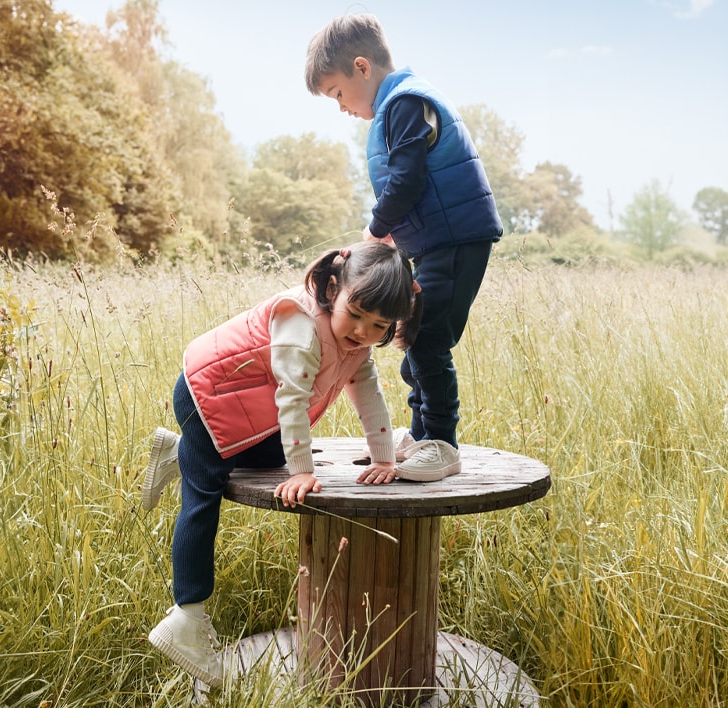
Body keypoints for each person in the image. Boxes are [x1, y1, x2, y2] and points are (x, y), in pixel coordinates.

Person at [142, 241, 422, 687]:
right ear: (333, 288)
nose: (363, 332)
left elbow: (369, 396)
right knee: (202, 496)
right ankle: (185, 617)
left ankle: (181, 453)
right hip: (207, 396)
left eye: (380, 326)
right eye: (356, 314)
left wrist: (385, 458)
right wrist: (302, 472)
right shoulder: (301, 326)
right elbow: (291, 402)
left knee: (267, 455)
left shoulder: (358, 343)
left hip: (250, 412)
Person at [305, 14, 503, 480]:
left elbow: (408, 179)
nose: (341, 108)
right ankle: (421, 434)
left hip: (455, 240)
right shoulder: (399, 106)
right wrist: (395, 233)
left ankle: (442, 443)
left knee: (428, 336)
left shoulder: (405, 104)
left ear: (361, 67)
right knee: (412, 337)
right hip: (438, 241)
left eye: (337, 93)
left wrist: (375, 231)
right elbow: (421, 182)